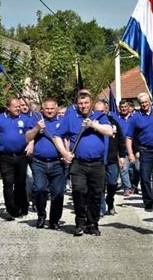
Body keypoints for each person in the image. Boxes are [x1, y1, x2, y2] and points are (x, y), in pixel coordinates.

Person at [53, 93, 113, 237]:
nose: (84, 106)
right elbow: (57, 136)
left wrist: (93, 124)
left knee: (95, 194)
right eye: (80, 103)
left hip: (97, 163)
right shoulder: (70, 117)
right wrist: (64, 153)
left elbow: (109, 131)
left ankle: (92, 224)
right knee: (79, 191)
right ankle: (80, 222)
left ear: (91, 103)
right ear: (77, 104)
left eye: (86, 103)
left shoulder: (99, 116)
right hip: (79, 163)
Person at [25, 98, 65, 230]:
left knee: (58, 193)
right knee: (40, 189)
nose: (49, 111)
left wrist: (67, 153)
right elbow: (28, 137)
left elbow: (68, 138)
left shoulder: (62, 121)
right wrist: (37, 128)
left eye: (52, 108)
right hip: (39, 163)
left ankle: (54, 220)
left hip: (58, 163)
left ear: (56, 108)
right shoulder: (37, 119)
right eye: (47, 108)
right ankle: (41, 215)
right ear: (42, 109)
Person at [0, 98, 29, 220]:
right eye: (15, 106)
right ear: (8, 107)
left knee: (20, 183)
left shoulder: (25, 119)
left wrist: (31, 144)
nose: (18, 108)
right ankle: (11, 209)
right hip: (5, 156)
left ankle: (22, 205)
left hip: (21, 156)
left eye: (19, 106)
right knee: (8, 183)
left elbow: (31, 135)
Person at [126, 93, 153, 211]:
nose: (144, 104)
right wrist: (130, 153)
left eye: (146, 101)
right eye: (142, 103)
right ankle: (148, 202)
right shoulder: (135, 117)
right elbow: (129, 137)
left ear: (150, 101)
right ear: (139, 104)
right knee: (144, 177)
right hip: (145, 150)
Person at [96, 100, 126, 216]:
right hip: (99, 160)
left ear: (107, 110)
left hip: (112, 159)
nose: (100, 114)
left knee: (112, 184)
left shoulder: (114, 123)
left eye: (102, 111)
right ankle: (101, 208)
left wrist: (122, 156)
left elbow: (120, 140)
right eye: (97, 111)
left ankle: (110, 201)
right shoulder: (93, 124)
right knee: (100, 185)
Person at [113, 99, 134, 196]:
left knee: (136, 169)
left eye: (125, 107)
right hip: (121, 148)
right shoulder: (116, 119)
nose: (124, 109)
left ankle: (133, 185)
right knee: (123, 169)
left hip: (134, 148)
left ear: (129, 107)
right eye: (122, 108)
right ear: (119, 109)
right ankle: (127, 188)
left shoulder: (134, 118)